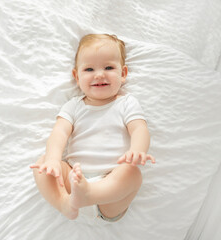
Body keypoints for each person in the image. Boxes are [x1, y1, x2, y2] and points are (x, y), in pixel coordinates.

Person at [30, 34, 155, 222]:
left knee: (132, 174)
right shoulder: (74, 106)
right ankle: (62, 202)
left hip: (110, 188)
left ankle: (90, 194)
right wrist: (54, 160)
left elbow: (139, 129)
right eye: (89, 69)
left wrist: (137, 150)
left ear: (123, 74)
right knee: (42, 163)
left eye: (109, 67)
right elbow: (59, 133)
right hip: (73, 180)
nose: (99, 74)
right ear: (76, 77)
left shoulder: (127, 103)